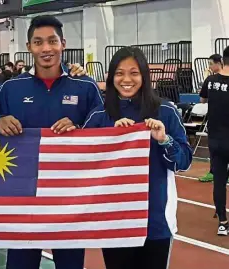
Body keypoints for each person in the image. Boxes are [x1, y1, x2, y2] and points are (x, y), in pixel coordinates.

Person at [0, 15, 104, 269]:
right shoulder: (11, 88)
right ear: (29, 46)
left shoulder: (84, 86)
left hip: (70, 196)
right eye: (38, 42)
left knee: (70, 265)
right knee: (20, 264)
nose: (46, 48)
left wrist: (79, 129)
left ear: (63, 44)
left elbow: (102, 129)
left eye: (52, 41)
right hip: (24, 195)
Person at [83, 47, 192, 269]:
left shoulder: (166, 112)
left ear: (144, 75)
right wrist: (110, 138)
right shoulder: (99, 115)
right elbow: (83, 165)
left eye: (134, 73)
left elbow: (184, 162)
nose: (126, 80)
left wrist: (164, 139)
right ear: (111, 77)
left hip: (156, 223)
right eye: (119, 73)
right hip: (114, 222)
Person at [199, 46, 229, 236]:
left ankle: (223, 222)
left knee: (219, 180)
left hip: (216, 139)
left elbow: (202, 101)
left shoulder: (210, 81)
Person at [199, 54, 223, 182]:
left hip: (218, 119)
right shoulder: (209, 80)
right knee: (215, 146)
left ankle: (216, 172)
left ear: (219, 63)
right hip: (214, 119)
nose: (209, 66)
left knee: (217, 146)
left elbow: (202, 100)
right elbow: (203, 100)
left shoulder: (210, 80)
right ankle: (214, 171)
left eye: (210, 63)